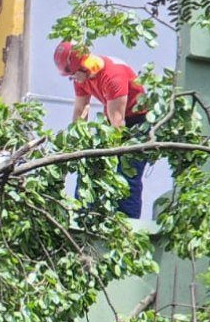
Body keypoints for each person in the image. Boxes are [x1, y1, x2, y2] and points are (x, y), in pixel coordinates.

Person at [53, 39, 151, 218]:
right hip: (114, 120)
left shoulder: (113, 76)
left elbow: (118, 123)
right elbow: (80, 109)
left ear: (83, 66)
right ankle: (82, 215)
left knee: (127, 171)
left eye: (73, 75)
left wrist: (110, 157)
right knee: (90, 163)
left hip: (136, 122)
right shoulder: (81, 77)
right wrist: (77, 142)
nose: (73, 80)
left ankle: (127, 224)